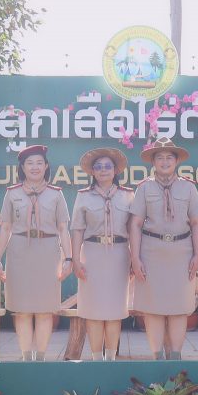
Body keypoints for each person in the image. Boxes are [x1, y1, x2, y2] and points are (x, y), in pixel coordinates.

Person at [0, 145, 71, 361]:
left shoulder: (56, 194)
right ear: (22, 167)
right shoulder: (12, 193)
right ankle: (27, 358)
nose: (35, 167)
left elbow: (63, 228)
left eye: (39, 163)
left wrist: (69, 258)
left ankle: (41, 359)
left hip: (48, 253)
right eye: (30, 163)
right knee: (22, 310)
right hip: (19, 252)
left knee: (45, 310)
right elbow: (6, 228)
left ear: (46, 166)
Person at [129, 138, 198, 360]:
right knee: (153, 308)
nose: (164, 161)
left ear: (176, 161)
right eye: (159, 157)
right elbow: (135, 224)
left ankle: (176, 357)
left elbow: (197, 222)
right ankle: (157, 357)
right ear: (153, 162)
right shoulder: (144, 188)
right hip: (151, 252)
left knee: (179, 307)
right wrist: (135, 257)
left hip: (182, 252)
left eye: (169, 157)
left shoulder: (188, 188)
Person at [70, 147, 134, 360]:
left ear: (115, 170)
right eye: (98, 167)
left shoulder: (128, 195)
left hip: (119, 255)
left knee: (115, 311)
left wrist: (135, 257)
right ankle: (97, 360)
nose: (103, 170)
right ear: (92, 172)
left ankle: (111, 360)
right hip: (92, 255)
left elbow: (134, 230)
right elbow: (77, 229)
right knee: (93, 311)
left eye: (108, 166)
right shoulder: (83, 196)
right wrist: (75, 259)